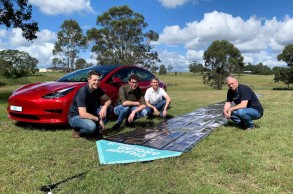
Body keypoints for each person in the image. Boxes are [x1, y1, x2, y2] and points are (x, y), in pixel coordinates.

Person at [68, 70, 112, 138]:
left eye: (98, 80)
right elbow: (83, 114)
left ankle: (98, 129)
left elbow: (108, 100)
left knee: (109, 108)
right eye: (94, 80)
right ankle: (78, 131)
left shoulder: (97, 89)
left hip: (90, 111)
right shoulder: (82, 92)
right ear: (89, 80)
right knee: (91, 127)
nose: (97, 82)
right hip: (75, 116)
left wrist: (104, 108)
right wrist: (99, 119)